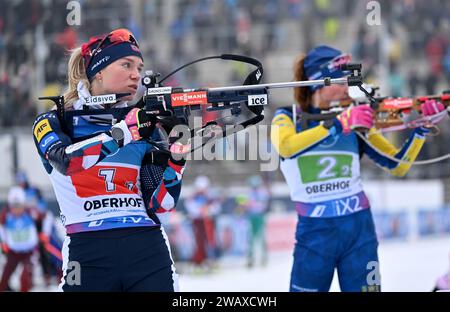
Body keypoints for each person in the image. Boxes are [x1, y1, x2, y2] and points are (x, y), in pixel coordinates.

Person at [270, 45, 446, 292]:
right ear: (318, 81)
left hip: (359, 230)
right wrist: (336, 125)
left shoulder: (354, 116)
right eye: (340, 80)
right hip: (315, 232)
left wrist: (421, 130)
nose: (346, 87)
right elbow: (286, 147)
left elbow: (397, 165)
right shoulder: (287, 116)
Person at [32, 28, 189, 291]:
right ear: (98, 71)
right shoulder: (54, 120)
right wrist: (124, 133)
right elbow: (66, 162)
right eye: (126, 65)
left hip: (146, 247)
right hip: (87, 252)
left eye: (139, 67)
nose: (136, 74)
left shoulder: (143, 122)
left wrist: (177, 153)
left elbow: (162, 204)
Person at [0, 186, 39, 292]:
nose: (16, 209)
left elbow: (43, 220)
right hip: (14, 251)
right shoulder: (6, 215)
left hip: (29, 252)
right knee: (5, 276)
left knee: (25, 276)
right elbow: (2, 229)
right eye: (14, 206)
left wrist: (42, 234)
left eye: (19, 206)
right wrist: (3, 243)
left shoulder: (30, 213)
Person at [184, 176, 221, 271]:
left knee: (210, 241)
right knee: (198, 242)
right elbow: (189, 206)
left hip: (208, 222)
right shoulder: (194, 197)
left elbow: (216, 207)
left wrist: (208, 210)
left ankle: (211, 261)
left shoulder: (210, 197)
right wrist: (200, 211)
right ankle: (198, 262)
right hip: (197, 222)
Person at [243, 175, 270, 268]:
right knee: (250, 238)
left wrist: (253, 205)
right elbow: (246, 205)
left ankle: (263, 257)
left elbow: (263, 206)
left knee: (261, 237)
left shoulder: (262, 193)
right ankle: (251, 258)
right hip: (251, 217)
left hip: (259, 217)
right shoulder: (249, 193)